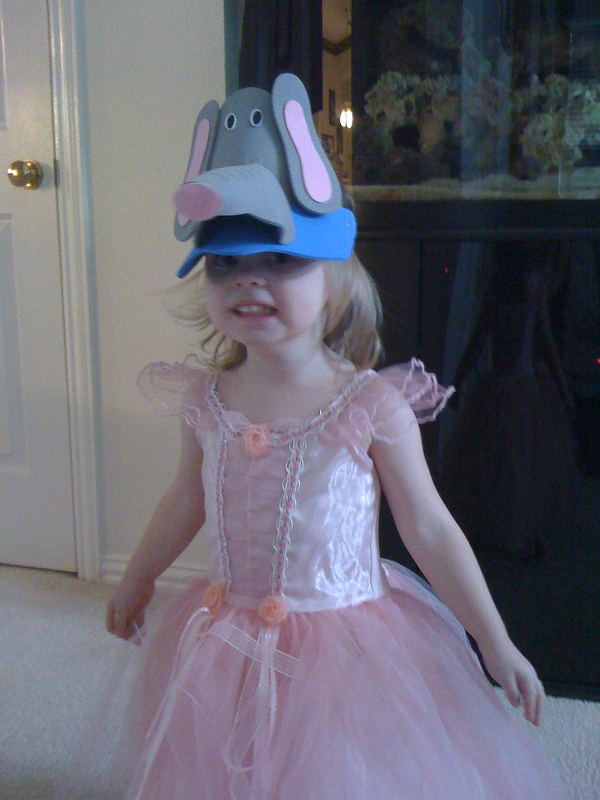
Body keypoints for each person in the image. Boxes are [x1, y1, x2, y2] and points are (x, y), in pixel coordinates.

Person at [105, 74, 564, 800]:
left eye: (280, 260)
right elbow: (185, 498)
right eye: (226, 263)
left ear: (336, 280)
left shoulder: (369, 404)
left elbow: (429, 527)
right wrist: (136, 579)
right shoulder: (207, 399)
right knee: (220, 758)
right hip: (225, 634)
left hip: (344, 643)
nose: (248, 281)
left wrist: (493, 638)